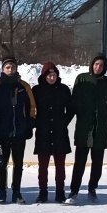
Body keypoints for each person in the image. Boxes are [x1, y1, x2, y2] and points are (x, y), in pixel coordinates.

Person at [67, 53, 107, 204]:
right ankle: (74, 191)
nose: (98, 67)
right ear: (92, 64)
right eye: (96, 64)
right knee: (79, 162)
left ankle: (92, 189)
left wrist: (105, 116)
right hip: (84, 128)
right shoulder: (82, 78)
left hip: (100, 129)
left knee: (97, 163)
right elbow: (74, 101)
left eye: (101, 65)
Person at [0, 57, 36, 204]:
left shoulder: (24, 86)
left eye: (12, 67)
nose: (10, 70)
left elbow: (32, 108)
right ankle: (2, 192)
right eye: (7, 67)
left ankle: (16, 191)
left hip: (19, 132)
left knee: (18, 163)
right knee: (1, 163)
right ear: (3, 69)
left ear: (16, 68)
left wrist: (29, 126)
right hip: (2, 132)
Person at [31, 62, 75, 203]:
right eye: (49, 75)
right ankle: (42, 192)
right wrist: (36, 122)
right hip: (43, 133)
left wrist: (63, 122)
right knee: (43, 167)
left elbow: (71, 109)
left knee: (60, 166)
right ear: (44, 76)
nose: (51, 78)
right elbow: (30, 109)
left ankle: (60, 193)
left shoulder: (63, 90)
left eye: (54, 75)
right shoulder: (36, 90)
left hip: (59, 133)